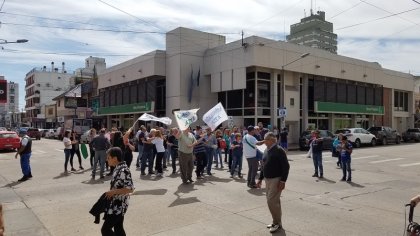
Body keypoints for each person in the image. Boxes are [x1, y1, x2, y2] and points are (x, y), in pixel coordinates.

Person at [256, 132, 290, 233]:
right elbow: (263, 165)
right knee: (274, 202)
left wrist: (283, 181)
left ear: (272, 140)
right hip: (267, 179)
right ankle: (277, 222)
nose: (264, 141)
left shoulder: (279, 150)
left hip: (276, 179)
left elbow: (286, 166)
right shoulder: (267, 149)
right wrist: (260, 178)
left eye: (266, 139)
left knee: (271, 202)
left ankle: (276, 223)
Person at [101, 147, 134, 236]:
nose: (107, 160)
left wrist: (113, 192)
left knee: (105, 230)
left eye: (108, 158)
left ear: (115, 158)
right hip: (116, 204)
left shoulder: (124, 170)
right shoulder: (118, 168)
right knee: (118, 227)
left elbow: (130, 189)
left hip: (119, 206)